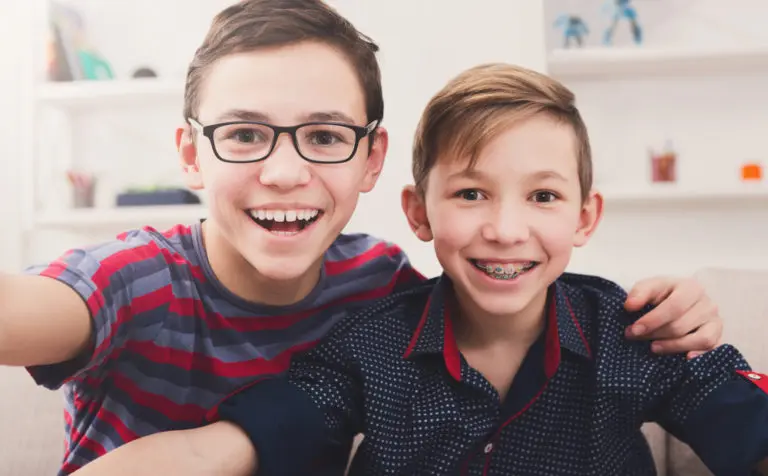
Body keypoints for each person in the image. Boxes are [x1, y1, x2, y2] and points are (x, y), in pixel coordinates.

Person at [0, 1, 722, 474]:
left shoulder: (380, 287)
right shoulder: (132, 278)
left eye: (323, 135)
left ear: (370, 159)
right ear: (191, 155)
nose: (284, 172)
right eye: (245, 134)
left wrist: (682, 314)